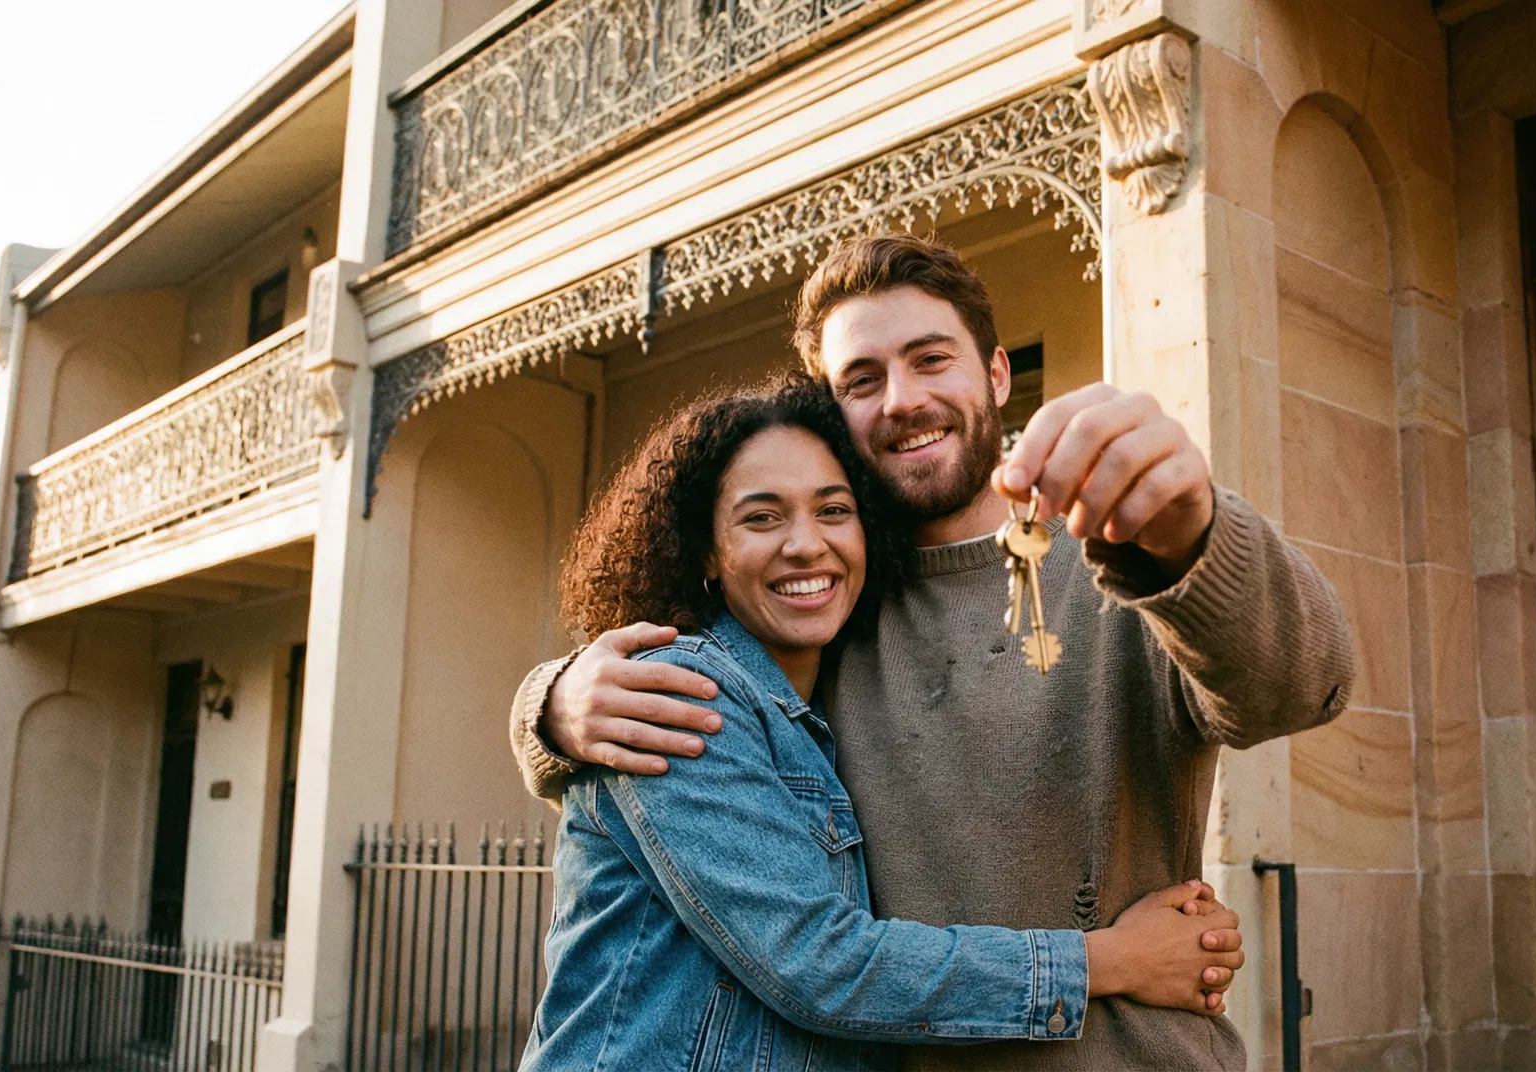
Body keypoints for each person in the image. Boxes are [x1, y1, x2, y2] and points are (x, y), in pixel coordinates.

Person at [511, 234, 1356, 1069]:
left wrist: (1195, 532)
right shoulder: (825, 611)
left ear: (994, 374)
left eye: (930, 360)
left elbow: (1303, 688)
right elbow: (805, 937)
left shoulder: (1119, 555)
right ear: (832, 414)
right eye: (862, 380)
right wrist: (549, 706)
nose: (901, 400)